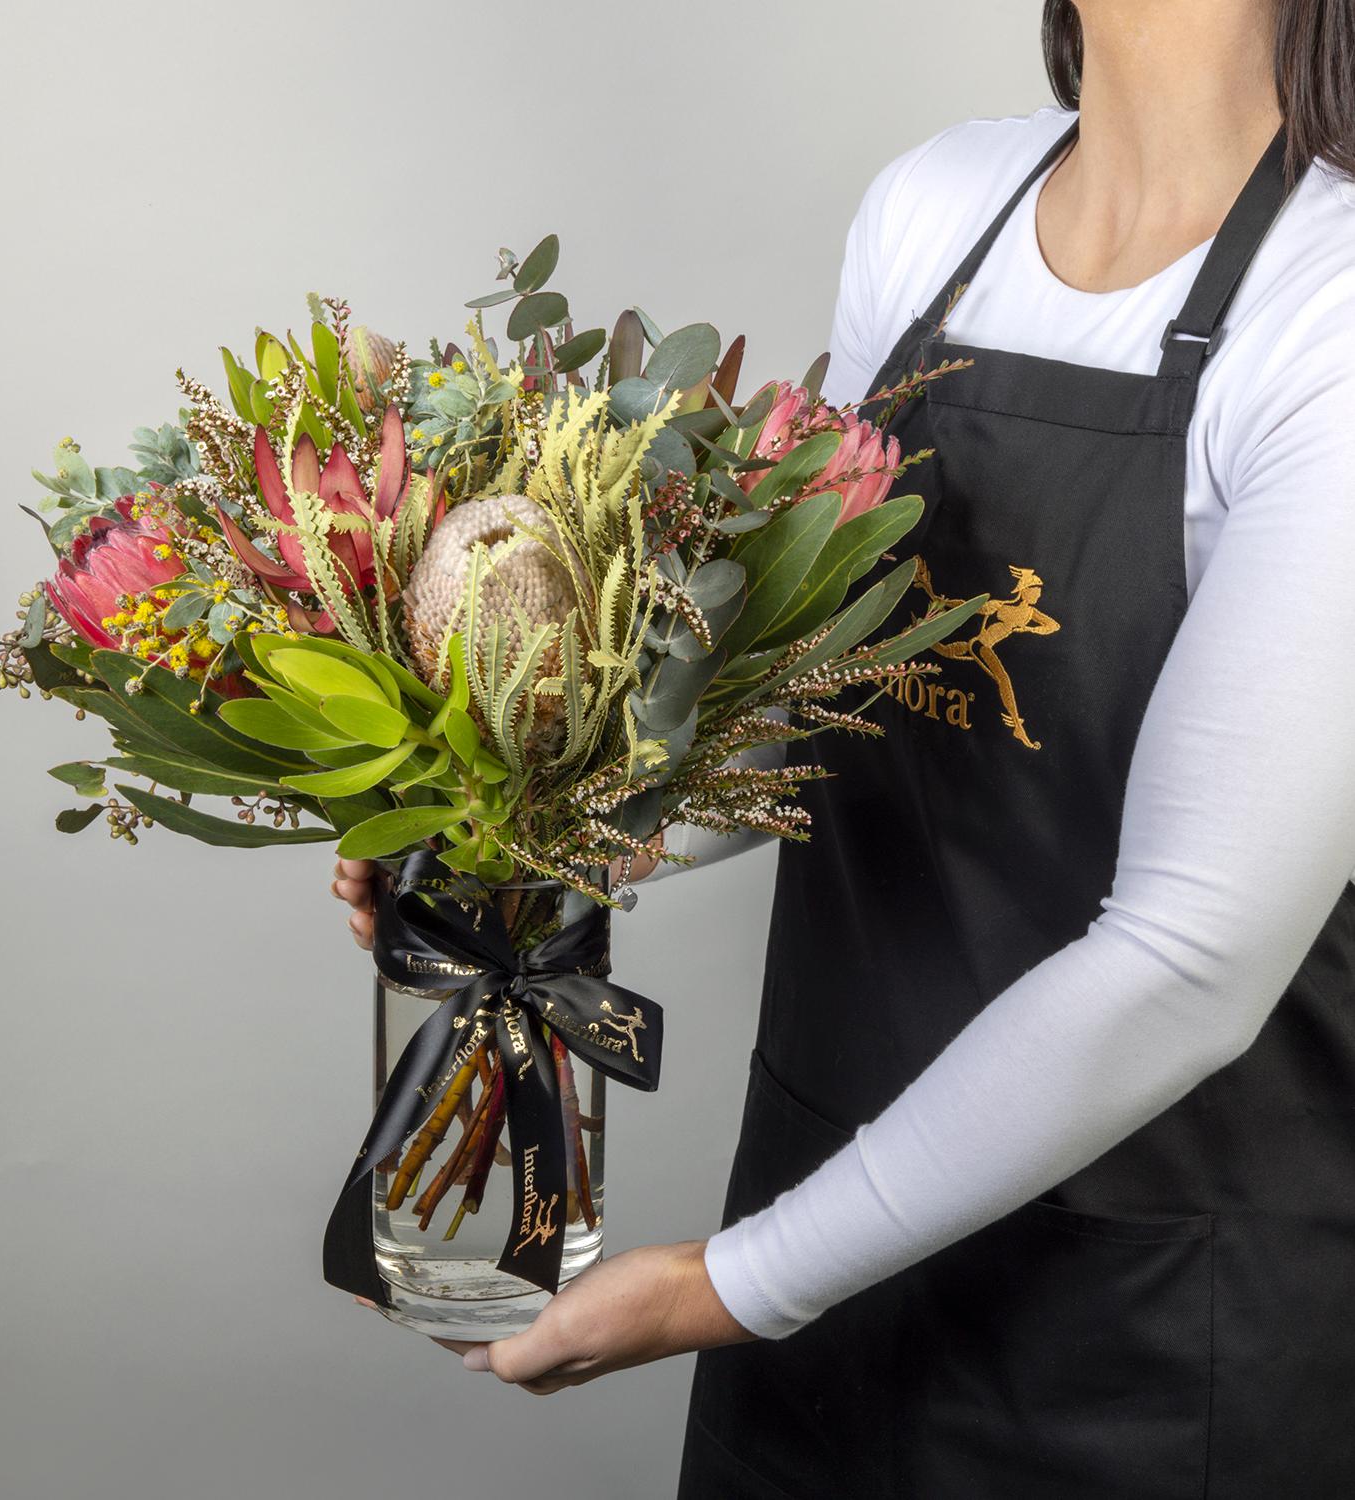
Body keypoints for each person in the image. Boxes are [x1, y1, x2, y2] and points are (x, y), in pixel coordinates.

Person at [333, 1, 1355, 1491]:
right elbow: (824, 703)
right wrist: (533, 842)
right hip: (829, 1230)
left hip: (1154, 1312)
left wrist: (732, 1286)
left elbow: (1193, 963)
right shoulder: (935, 212)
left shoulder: (1330, 307)